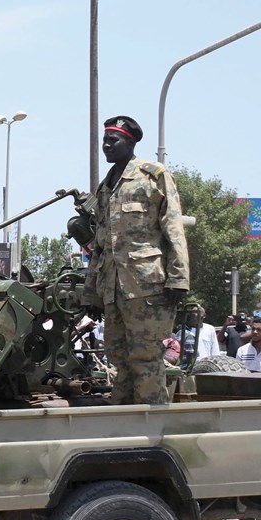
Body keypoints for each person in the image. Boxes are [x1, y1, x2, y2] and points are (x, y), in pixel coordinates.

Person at [82, 115, 190, 405]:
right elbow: (101, 244)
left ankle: (152, 427)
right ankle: (124, 423)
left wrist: (178, 278)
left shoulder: (152, 175)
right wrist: (91, 293)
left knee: (146, 359)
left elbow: (173, 227)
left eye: (112, 140)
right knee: (119, 359)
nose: (106, 146)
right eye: (104, 140)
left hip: (147, 287)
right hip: (114, 290)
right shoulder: (105, 187)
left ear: (129, 143)